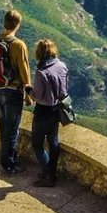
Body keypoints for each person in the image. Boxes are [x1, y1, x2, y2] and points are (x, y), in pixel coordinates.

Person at [0, 9, 32, 175]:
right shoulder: (19, 45)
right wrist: (28, 92)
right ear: (17, 24)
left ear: (4, 22)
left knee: (3, 126)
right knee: (11, 129)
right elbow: (24, 71)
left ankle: (8, 158)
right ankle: (9, 165)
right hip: (13, 91)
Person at [30, 38, 68, 188]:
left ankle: (49, 175)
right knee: (53, 143)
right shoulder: (62, 66)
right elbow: (64, 92)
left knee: (37, 144)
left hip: (42, 111)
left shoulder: (41, 72)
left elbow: (37, 96)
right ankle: (51, 173)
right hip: (56, 110)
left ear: (39, 53)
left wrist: (28, 90)